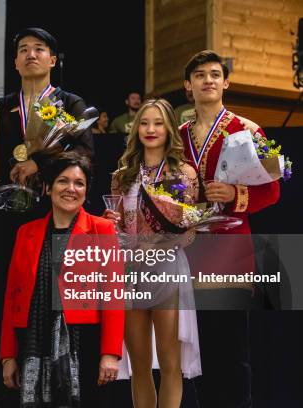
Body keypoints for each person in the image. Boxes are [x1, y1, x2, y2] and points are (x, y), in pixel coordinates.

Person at [0, 28, 95, 404]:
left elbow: (86, 155)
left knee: (58, 297)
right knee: (8, 295)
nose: (31, 55)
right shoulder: (1, 107)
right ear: (14, 62)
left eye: (39, 49)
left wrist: (40, 163)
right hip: (9, 214)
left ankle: (64, 385)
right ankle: (7, 379)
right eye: (23, 50)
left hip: (55, 213)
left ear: (53, 60)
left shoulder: (71, 104)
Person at [179, 50, 280, 407]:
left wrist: (237, 194)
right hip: (187, 253)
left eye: (214, 74)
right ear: (188, 86)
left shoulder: (251, 130)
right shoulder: (176, 136)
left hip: (230, 254)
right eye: (200, 75)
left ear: (226, 83)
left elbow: (274, 186)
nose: (208, 79)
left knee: (231, 348)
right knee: (197, 352)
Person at [0, 152, 124, 407]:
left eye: (79, 183)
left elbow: (114, 295)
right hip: (31, 343)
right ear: (47, 188)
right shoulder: (26, 232)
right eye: (62, 181)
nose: (71, 189)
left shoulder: (103, 229)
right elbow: (11, 295)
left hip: (86, 344)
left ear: (87, 191)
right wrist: (8, 355)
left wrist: (110, 353)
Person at [108, 98, 201, 408]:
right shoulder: (123, 174)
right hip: (131, 270)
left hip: (166, 268)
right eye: (144, 123)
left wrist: (162, 242)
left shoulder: (184, 173)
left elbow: (190, 231)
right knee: (139, 362)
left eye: (158, 123)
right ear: (136, 129)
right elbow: (119, 225)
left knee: (169, 358)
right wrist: (112, 225)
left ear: (169, 129)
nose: (150, 129)